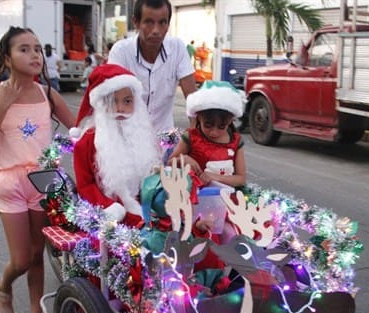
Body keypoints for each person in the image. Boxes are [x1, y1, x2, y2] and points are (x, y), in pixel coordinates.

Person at [0, 26, 75, 313]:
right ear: (6, 57)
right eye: (24, 49)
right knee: (20, 258)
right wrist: (4, 105)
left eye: (37, 49)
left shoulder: (48, 94)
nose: (34, 55)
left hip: (44, 181)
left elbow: (79, 132)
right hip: (10, 182)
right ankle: (4, 284)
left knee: (36, 255)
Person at [69, 63, 162, 228]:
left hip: (147, 211)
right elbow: (85, 185)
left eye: (127, 101)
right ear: (100, 104)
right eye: (112, 101)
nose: (120, 109)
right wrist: (109, 207)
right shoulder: (87, 143)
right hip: (110, 219)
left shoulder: (143, 136)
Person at [107, 0, 196, 133]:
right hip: (127, 138)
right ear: (136, 22)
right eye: (149, 22)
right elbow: (114, 100)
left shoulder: (177, 48)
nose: (156, 30)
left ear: (168, 24)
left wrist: (196, 137)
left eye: (162, 22)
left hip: (164, 139)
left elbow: (192, 99)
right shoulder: (121, 52)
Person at [166, 80, 246, 190]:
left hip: (226, 198)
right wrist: (183, 158)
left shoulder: (236, 141)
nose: (214, 132)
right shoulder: (190, 137)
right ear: (198, 117)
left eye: (221, 127)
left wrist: (214, 177)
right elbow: (169, 163)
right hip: (195, 197)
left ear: (230, 120)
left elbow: (240, 179)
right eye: (208, 125)